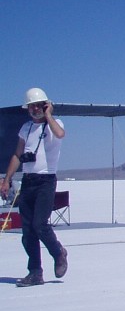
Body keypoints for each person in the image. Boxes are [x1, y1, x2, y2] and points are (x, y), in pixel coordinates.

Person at [1, 88, 69, 287]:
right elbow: (17, 155)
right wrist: (7, 179)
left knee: (40, 225)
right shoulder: (26, 128)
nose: (35, 109)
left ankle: (59, 253)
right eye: (32, 106)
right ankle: (35, 272)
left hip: (46, 181)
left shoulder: (54, 125)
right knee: (28, 231)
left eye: (39, 105)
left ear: (46, 105)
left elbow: (60, 134)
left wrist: (49, 116)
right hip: (28, 181)